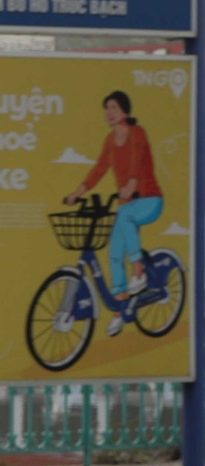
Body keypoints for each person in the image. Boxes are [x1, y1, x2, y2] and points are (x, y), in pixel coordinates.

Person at [65, 89, 163, 337]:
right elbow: (98, 170)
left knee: (126, 218)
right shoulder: (110, 141)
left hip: (149, 199)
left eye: (114, 108)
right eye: (106, 109)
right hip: (126, 204)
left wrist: (131, 184)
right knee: (114, 254)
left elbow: (137, 159)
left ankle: (139, 271)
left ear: (125, 111)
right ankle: (119, 311)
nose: (109, 113)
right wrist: (77, 193)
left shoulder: (137, 132)